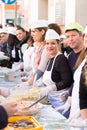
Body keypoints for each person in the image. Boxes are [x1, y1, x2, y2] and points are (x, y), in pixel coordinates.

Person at [55, 22, 84, 118]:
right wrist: (69, 94)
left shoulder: (85, 55)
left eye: (73, 35)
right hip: (76, 99)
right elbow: (74, 80)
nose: (70, 39)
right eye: (67, 37)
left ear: (81, 36)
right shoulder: (70, 56)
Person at [39, 29, 73, 108]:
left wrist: (52, 87)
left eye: (53, 43)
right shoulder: (50, 60)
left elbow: (67, 81)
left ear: (58, 44)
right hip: (51, 100)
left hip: (60, 101)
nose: (49, 46)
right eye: (47, 43)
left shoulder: (60, 59)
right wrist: (42, 84)